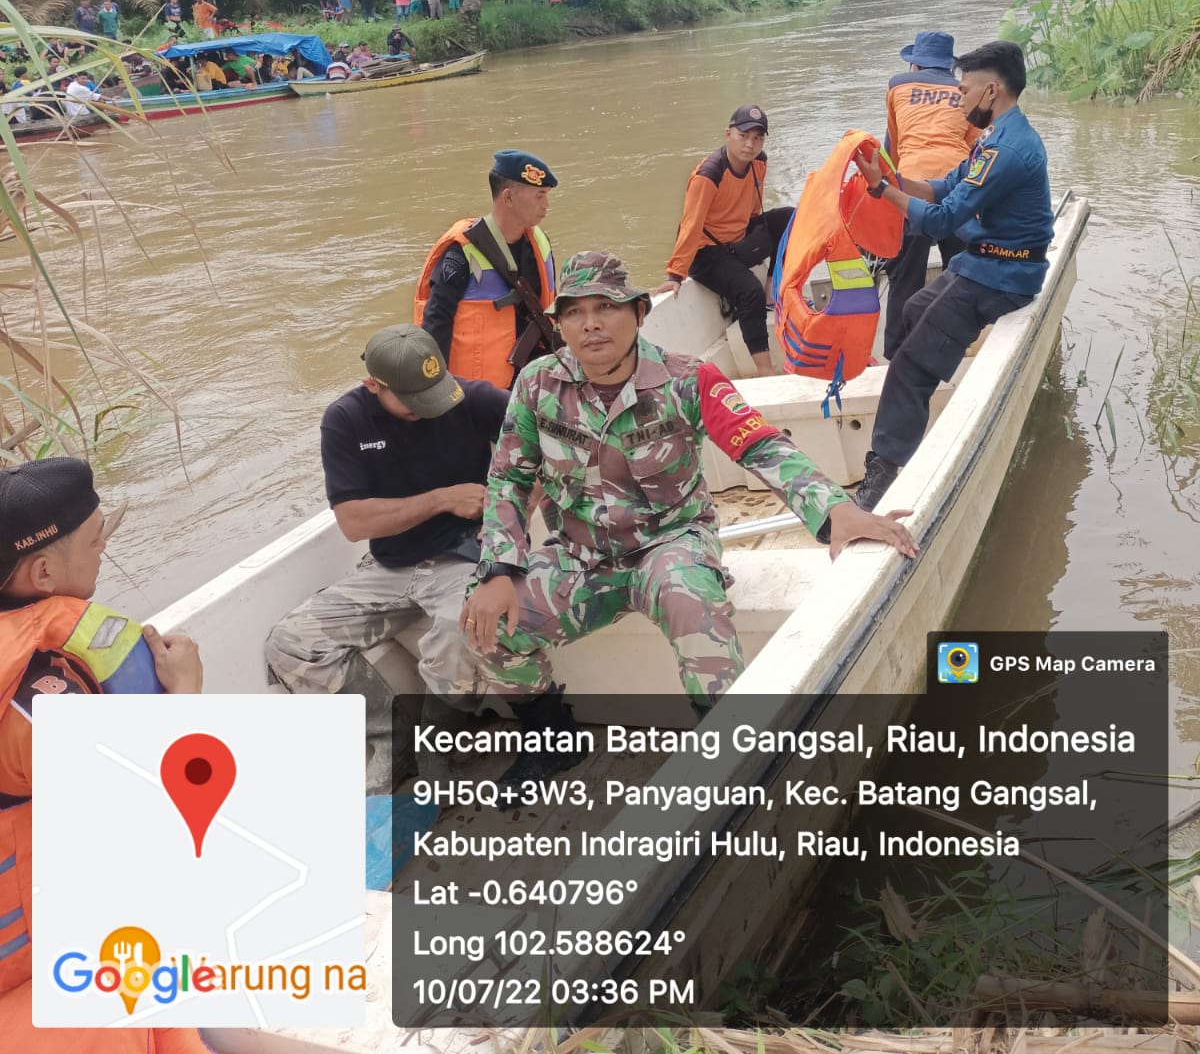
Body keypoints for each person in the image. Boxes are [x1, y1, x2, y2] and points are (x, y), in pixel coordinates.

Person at [461, 252, 916, 773]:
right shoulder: (537, 383)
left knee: (693, 608)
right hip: (578, 554)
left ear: (637, 312)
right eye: (574, 312)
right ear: (559, 323)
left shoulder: (688, 380)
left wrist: (836, 511)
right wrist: (498, 568)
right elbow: (509, 478)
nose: (590, 324)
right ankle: (552, 741)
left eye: (606, 307)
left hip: (671, 542)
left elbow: (761, 446)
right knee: (484, 625)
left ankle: (729, 762)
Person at [0, 456, 208, 1054]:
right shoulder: (37, 695)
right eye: (96, 541)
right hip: (35, 986)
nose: (104, 553)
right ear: (42, 571)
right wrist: (187, 695)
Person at [265, 327, 506, 791]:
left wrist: (510, 517)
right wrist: (440, 499)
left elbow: (540, 452)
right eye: (415, 399)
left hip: (463, 556)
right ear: (373, 385)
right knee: (289, 642)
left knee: (463, 628)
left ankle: (441, 748)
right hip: (388, 567)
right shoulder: (345, 420)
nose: (431, 407)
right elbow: (354, 523)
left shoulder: (473, 399)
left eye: (436, 393)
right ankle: (391, 740)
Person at [853, 40, 1055, 511]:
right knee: (915, 308)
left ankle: (881, 470)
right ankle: (921, 395)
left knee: (907, 364)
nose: (958, 100)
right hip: (985, 262)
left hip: (1002, 276)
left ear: (991, 91)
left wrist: (883, 190)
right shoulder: (998, 137)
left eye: (963, 92)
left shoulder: (1006, 149)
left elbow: (942, 219)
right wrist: (887, 176)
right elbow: (944, 185)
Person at [654, 104, 791, 375]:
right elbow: (690, 226)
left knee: (791, 219)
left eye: (757, 138)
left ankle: (770, 292)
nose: (750, 145)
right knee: (746, 290)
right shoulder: (709, 174)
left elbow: (753, 205)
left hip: (738, 241)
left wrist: (759, 232)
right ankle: (766, 369)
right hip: (708, 254)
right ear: (728, 134)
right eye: (743, 136)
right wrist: (675, 275)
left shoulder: (759, 162)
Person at [414, 150, 558, 392]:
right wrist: (436, 392)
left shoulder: (540, 243)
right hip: (477, 394)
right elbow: (436, 325)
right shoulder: (460, 254)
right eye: (539, 196)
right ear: (509, 198)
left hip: (533, 380)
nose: (546, 206)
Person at [879, 30, 979, 360]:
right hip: (954, 186)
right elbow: (977, 148)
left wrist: (883, 194)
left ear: (916, 65)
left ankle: (896, 352)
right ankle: (958, 346)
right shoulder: (967, 92)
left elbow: (892, 147)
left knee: (905, 273)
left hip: (911, 185)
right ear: (950, 67)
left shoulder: (897, 85)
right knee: (960, 269)